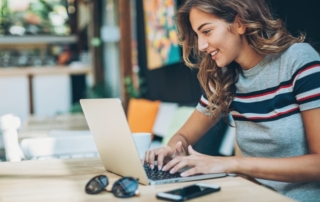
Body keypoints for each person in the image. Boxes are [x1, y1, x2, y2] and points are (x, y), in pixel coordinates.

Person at [143, 0, 320, 201]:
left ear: (240, 23)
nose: (201, 45)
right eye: (197, 35)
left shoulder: (298, 61)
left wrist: (231, 163)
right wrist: (170, 149)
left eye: (207, 31)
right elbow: (183, 136)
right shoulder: (226, 78)